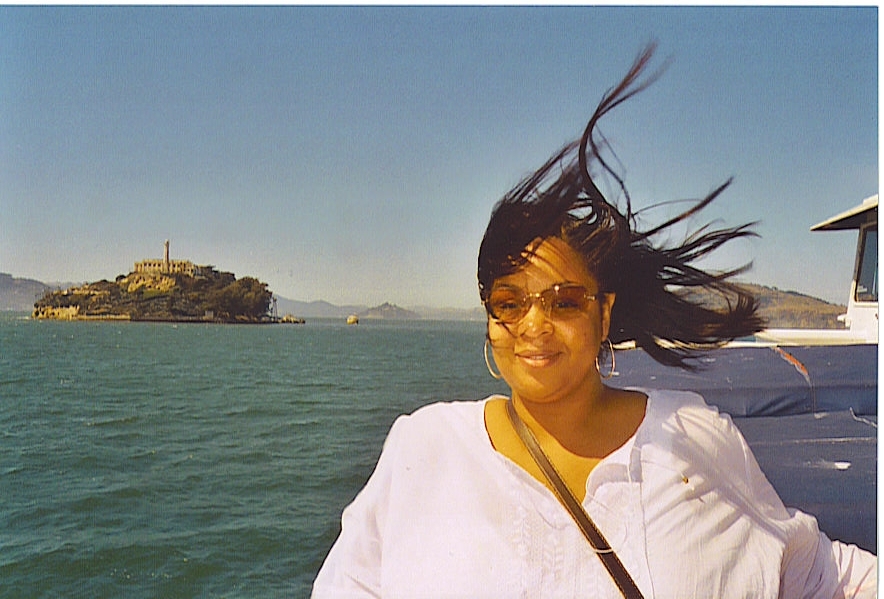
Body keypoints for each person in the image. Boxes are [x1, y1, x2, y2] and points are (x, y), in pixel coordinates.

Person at [312, 45, 877, 598]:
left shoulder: (693, 437)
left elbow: (821, 574)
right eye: (509, 302)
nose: (533, 324)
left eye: (563, 301)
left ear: (603, 313)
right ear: (488, 317)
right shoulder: (424, 445)